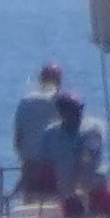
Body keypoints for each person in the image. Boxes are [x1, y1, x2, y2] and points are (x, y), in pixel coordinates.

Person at [9, 65, 71, 199]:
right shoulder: (61, 102)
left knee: (29, 204)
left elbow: (18, 138)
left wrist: (25, 160)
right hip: (54, 171)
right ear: (59, 80)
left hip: (29, 169)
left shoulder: (25, 102)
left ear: (40, 79)